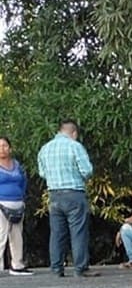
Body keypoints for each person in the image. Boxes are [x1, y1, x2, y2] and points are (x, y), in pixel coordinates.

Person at [38, 119, 98, 277]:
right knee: (78, 232)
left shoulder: (45, 149)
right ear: (74, 133)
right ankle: (80, 268)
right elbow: (87, 170)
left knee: (57, 233)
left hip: (54, 195)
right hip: (74, 194)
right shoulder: (75, 146)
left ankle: (57, 268)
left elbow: (42, 173)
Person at [0, 136, 33, 276]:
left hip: (18, 203)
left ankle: (17, 265)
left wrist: (22, 198)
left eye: (5, 146)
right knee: (1, 235)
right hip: (1, 203)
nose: (2, 149)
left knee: (17, 236)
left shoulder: (17, 164)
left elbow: (23, 181)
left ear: (10, 148)